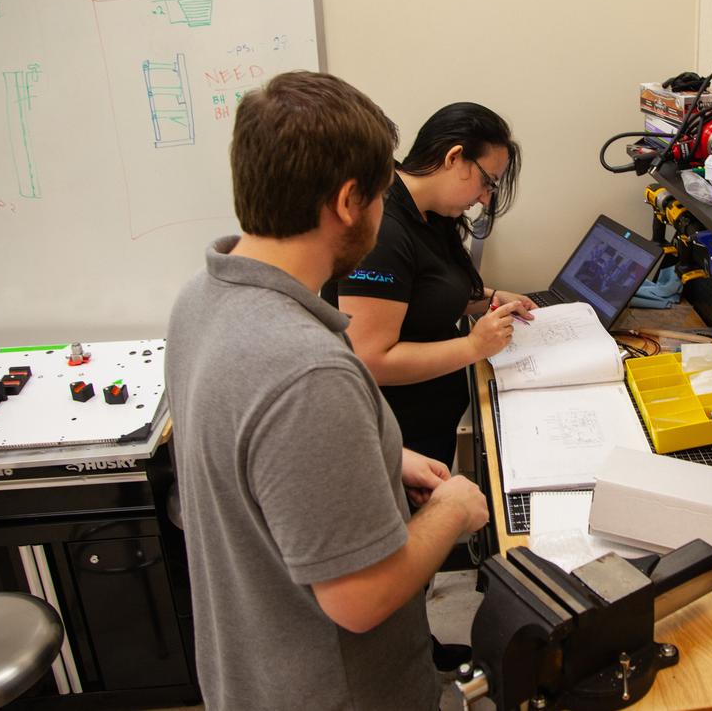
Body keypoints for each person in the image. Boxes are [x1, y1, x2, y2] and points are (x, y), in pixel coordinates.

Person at [165, 71, 488, 710]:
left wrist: (376, 457)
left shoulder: (202, 299)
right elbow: (361, 599)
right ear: (348, 202)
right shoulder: (307, 370)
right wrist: (455, 509)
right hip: (331, 689)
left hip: (250, 671)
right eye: (378, 197)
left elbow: (252, 455)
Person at [328, 102, 536, 468]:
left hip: (430, 423)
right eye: (487, 182)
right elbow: (371, 359)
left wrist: (488, 298)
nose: (485, 198)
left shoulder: (430, 213)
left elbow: (422, 292)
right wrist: (474, 346)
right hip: (395, 439)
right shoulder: (384, 229)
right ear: (455, 157)